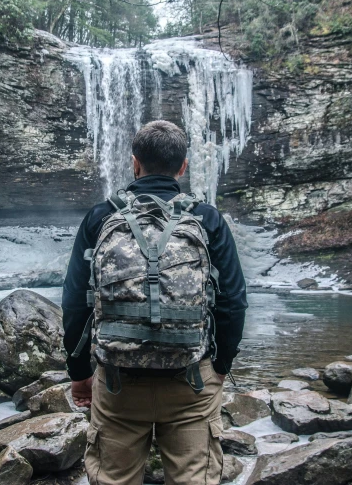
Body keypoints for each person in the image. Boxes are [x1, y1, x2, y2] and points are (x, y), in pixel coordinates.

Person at [62, 120, 248, 485]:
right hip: (191, 381)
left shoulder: (101, 216)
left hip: (117, 382)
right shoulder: (206, 218)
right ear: (183, 167)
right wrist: (221, 366)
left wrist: (79, 372)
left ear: (134, 163)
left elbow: (75, 303)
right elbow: (233, 302)